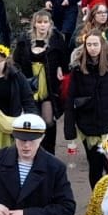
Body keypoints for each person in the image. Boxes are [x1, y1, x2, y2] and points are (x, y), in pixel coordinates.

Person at [63, 30, 108, 189]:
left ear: (102, 45)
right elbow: (70, 99)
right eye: (88, 44)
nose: (92, 48)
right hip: (88, 127)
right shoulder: (77, 68)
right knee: (95, 166)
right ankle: (98, 201)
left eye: (95, 44)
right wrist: (69, 131)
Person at [13, 10, 68, 153]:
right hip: (29, 85)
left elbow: (65, 60)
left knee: (48, 121)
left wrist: (60, 68)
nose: (42, 25)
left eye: (45, 22)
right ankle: (34, 151)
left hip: (49, 86)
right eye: (39, 22)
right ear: (34, 24)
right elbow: (16, 62)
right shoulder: (24, 40)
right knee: (32, 119)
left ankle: (49, 152)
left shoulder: (57, 39)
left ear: (50, 24)